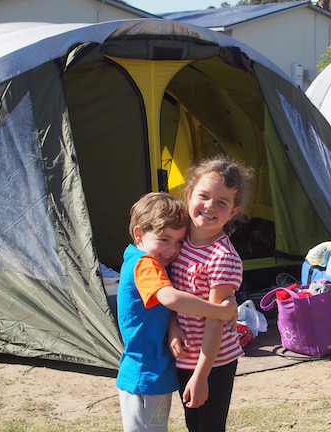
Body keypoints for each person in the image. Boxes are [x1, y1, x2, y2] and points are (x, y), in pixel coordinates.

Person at [116, 192, 238, 432]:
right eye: (164, 239)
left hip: (151, 374)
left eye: (180, 241)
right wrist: (219, 312)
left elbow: (158, 307)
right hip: (144, 376)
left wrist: (173, 325)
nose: (173, 250)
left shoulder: (142, 258)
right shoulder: (145, 263)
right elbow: (169, 297)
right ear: (139, 234)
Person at [169, 155, 254, 432]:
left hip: (213, 362)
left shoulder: (222, 257)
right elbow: (169, 291)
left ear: (233, 211)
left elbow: (216, 320)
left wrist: (201, 376)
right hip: (185, 356)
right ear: (190, 194)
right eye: (203, 196)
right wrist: (172, 327)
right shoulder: (178, 239)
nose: (209, 207)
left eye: (222, 202)